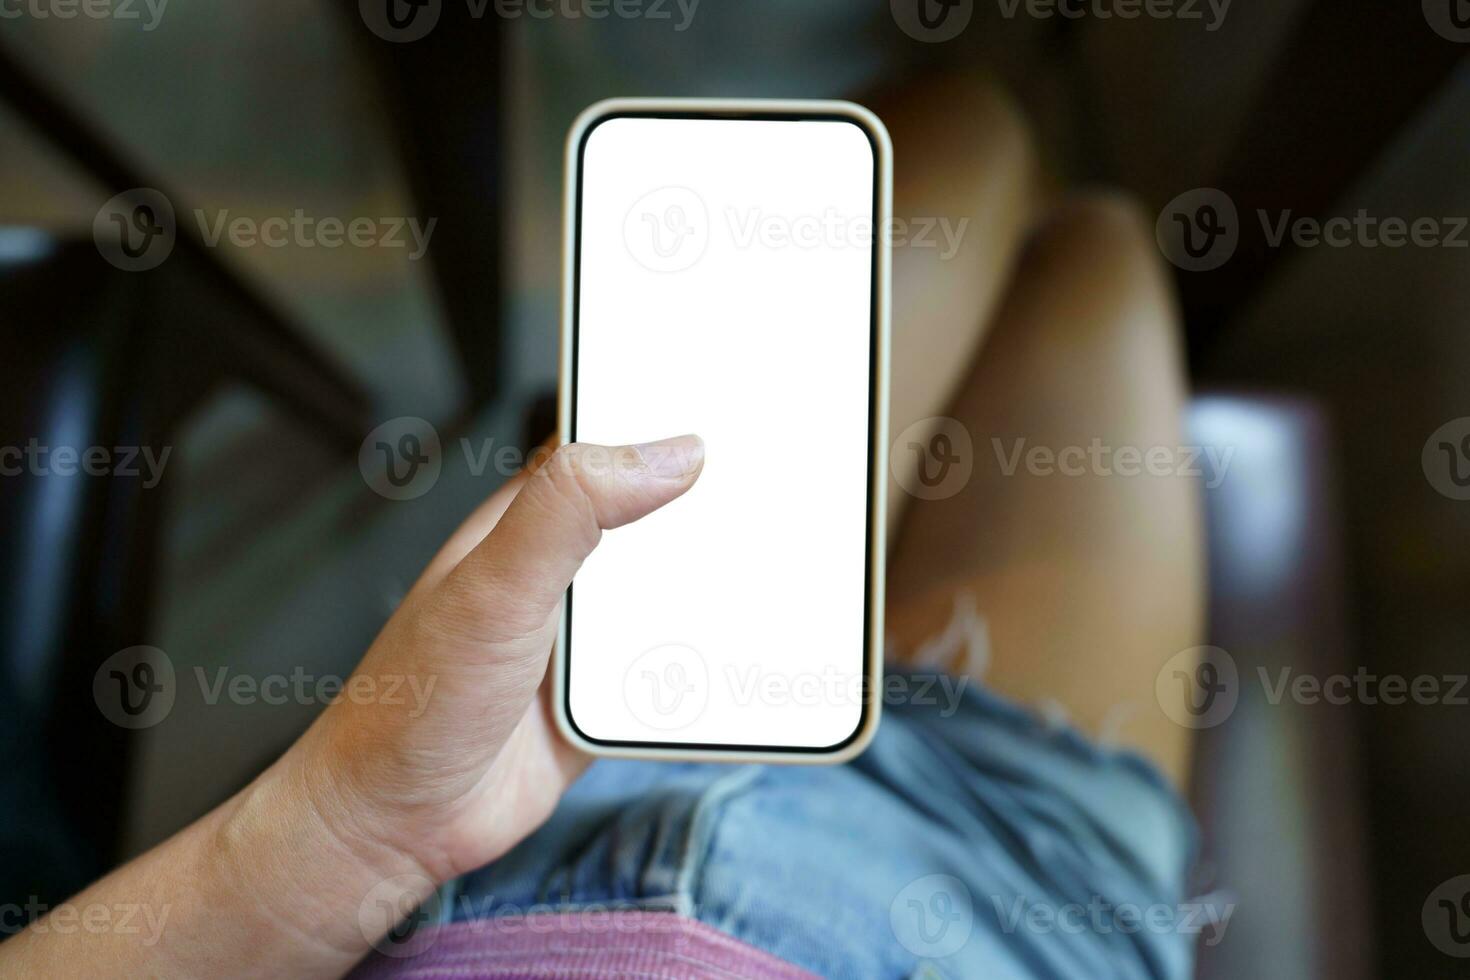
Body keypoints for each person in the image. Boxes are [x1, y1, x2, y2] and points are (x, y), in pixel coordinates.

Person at [0, 73, 1206, 978]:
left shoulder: (413, 811)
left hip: (505, 812)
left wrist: (353, 827)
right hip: (998, 895)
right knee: (1089, 242)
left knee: (971, 134)